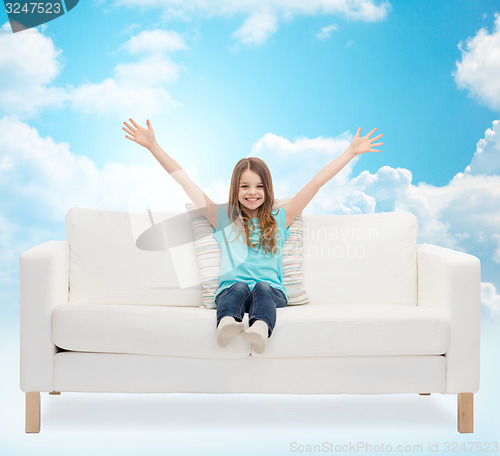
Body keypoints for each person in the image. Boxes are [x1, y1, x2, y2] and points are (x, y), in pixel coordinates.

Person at [122, 118, 384, 353]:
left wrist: (350, 152)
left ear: (267, 189)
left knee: (262, 287)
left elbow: (315, 183)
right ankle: (227, 323)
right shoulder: (223, 219)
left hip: (272, 293)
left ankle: (260, 329)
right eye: (245, 186)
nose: (252, 192)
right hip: (230, 292)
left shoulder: (280, 219)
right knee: (236, 287)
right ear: (235, 189)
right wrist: (153, 146)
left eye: (259, 186)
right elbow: (186, 182)